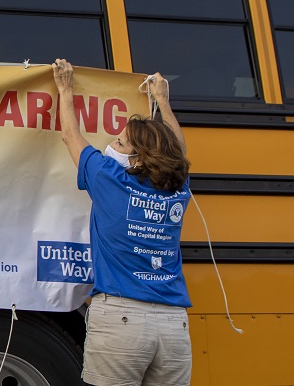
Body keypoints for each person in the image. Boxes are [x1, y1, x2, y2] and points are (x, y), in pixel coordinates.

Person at [51, 59, 193, 386]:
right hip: (174, 328)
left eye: (119, 142)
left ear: (138, 159)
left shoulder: (109, 178)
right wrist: (163, 102)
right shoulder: (177, 190)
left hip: (121, 321)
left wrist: (65, 89)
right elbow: (178, 151)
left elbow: (70, 135)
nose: (111, 144)